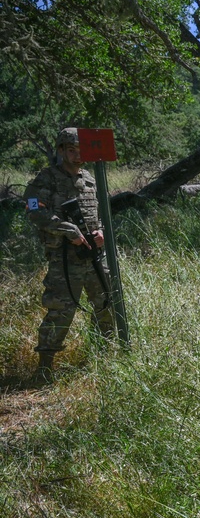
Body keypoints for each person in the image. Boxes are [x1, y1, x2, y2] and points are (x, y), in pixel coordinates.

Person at [23, 127, 114, 379]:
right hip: (64, 257)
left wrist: (102, 233)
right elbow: (33, 209)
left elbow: (103, 214)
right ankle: (44, 369)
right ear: (61, 150)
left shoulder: (90, 181)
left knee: (106, 304)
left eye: (81, 150)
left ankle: (104, 360)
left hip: (94, 256)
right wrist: (67, 230)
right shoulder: (46, 179)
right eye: (72, 150)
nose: (77, 155)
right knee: (61, 311)